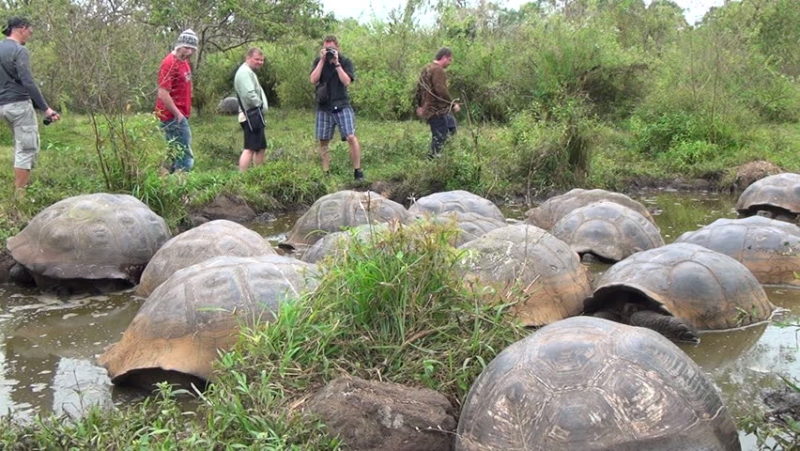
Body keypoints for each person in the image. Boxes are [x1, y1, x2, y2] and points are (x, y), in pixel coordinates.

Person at [0, 16, 60, 198]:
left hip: (2, 105)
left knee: (22, 146)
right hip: (18, 105)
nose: (30, 36)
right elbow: (27, 81)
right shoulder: (19, 50)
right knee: (26, 149)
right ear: (21, 28)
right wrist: (46, 108)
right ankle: (20, 197)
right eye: (30, 32)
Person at [309, 35, 363, 180]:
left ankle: (358, 171)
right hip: (324, 106)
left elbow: (346, 82)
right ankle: (326, 172)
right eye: (326, 49)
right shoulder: (318, 61)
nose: (329, 52)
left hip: (341, 104)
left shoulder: (345, 61)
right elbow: (313, 80)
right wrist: (322, 60)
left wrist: (337, 64)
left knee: (351, 136)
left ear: (337, 48)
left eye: (331, 49)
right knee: (323, 140)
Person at [155, 29, 198, 173]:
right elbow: (163, 92)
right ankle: (182, 185)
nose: (189, 51)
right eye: (186, 47)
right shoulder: (169, 63)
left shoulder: (184, 62)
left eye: (192, 49)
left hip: (181, 113)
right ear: (179, 45)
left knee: (175, 152)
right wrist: (178, 114)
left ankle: (170, 180)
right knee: (185, 155)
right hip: (171, 115)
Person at [415, 47, 460, 159]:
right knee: (440, 136)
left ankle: (448, 155)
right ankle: (432, 160)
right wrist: (453, 104)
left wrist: (419, 106)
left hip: (437, 110)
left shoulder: (426, 69)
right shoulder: (438, 70)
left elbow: (419, 89)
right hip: (436, 110)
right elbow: (441, 90)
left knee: (451, 126)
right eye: (449, 60)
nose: (450, 63)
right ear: (444, 58)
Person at [234, 47, 268, 172]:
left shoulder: (248, 71)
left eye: (261, 60)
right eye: (257, 59)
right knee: (250, 148)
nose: (259, 62)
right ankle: (242, 176)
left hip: (254, 115)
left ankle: (257, 174)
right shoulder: (244, 72)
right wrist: (259, 104)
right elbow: (249, 94)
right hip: (250, 115)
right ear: (248, 58)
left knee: (260, 147)